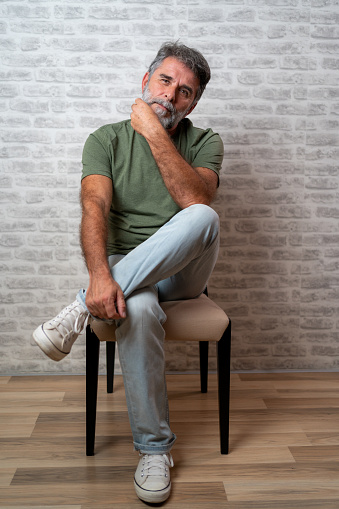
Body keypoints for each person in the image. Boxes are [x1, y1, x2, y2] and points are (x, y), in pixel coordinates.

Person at [33, 41, 224, 504]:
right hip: (122, 268)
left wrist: (154, 131)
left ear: (193, 103)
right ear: (146, 80)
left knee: (205, 217)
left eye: (184, 91)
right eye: (165, 81)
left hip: (182, 277)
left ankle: (78, 308)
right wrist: (100, 274)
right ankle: (155, 450)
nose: (171, 95)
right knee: (134, 307)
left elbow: (195, 201)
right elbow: (93, 205)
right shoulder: (106, 139)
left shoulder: (206, 141)